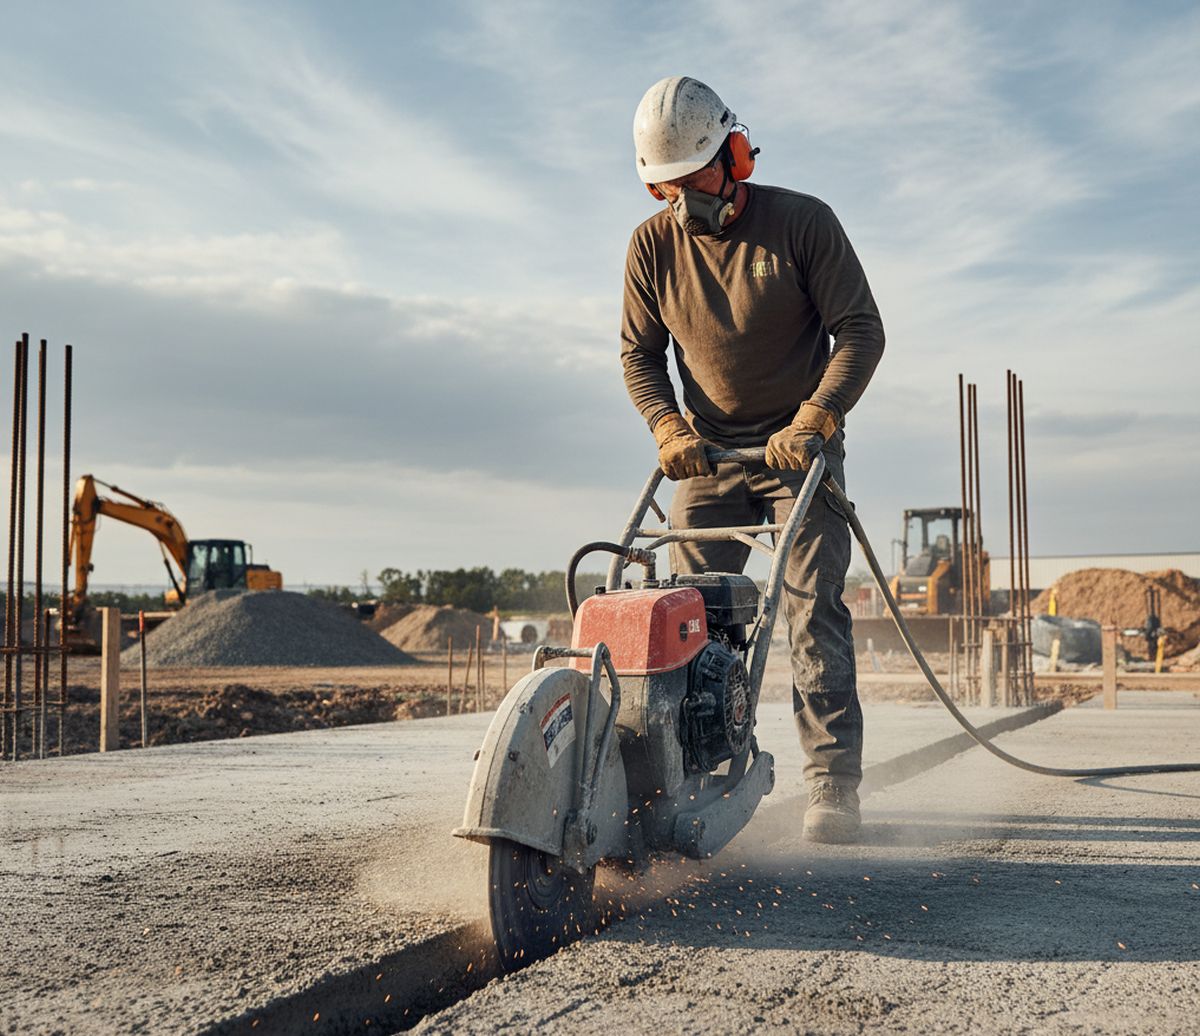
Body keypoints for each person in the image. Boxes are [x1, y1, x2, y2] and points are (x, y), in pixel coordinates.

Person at [620, 76, 885, 843]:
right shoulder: (651, 247)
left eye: (697, 176)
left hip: (797, 452)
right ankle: (681, 780)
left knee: (809, 611)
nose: (686, 197)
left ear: (734, 154)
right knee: (685, 617)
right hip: (708, 458)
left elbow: (860, 331)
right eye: (668, 184)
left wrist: (815, 418)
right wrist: (668, 427)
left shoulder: (802, 224)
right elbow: (640, 355)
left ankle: (833, 786)